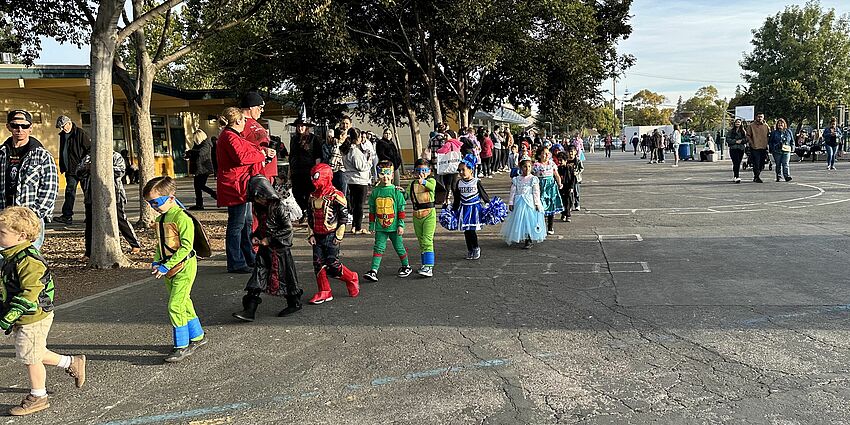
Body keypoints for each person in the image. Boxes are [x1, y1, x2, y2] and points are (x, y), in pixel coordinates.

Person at [0, 206, 86, 416]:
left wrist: (10, 316)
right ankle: (72, 362)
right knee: (33, 351)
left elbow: (30, 292)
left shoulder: (28, 260)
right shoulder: (11, 255)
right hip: (25, 316)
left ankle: (39, 396)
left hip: (34, 315)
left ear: (21, 236)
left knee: (30, 356)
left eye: (2, 233)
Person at [144, 176, 207, 363]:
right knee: (183, 302)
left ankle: (181, 345)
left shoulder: (182, 218)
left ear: (171, 198)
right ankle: (197, 336)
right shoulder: (162, 218)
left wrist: (166, 265)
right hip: (169, 268)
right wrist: (156, 261)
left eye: (156, 202)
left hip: (184, 268)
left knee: (175, 306)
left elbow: (186, 248)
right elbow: (161, 245)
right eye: (150, 203)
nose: (153, 206)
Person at [232, 175, 302, 321]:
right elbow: (263, 227)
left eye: (260, 197)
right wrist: (255, 236)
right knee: (257, 278)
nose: (258, 201)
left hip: (280, 251)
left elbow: (288, 230)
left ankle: (294, 302)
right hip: (265, 251)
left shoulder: (278, 207)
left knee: (287, 278)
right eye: (256, 198)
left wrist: (269, 239)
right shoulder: (260, 208)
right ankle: (249, 310)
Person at [216, 107, 266, 274]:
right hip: (235, 186)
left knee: (246, 223)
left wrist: (260, 151)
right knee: (237, 225)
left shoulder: (231, 135)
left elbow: (247, 150)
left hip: (239, 185)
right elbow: (242, 157)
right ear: (237, 121)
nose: (246, 122)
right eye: (244, 120)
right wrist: (261, 155)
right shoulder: (230, 136)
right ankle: (236, 261)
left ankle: (247, 256)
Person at [0, 110, 58, 250]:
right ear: (8, 127)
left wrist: (35, 214)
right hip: (4, 217)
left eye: (24, 126)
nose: (20, 129)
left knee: (27, 259)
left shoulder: (42, 155)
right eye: (15, 125)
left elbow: (50, 189)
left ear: (30, 128)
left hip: (29, 218)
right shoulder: (1, 154)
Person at [305, 163, 360, 305]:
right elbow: (310, 217)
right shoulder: (312, 196)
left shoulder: (336, 195)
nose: (314, 180)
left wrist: (339, 235)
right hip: (317, 235)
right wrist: (310, 234)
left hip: (331, 235)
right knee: (318, 264)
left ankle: (351, 277)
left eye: (317, 176)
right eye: (313, 176)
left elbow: (343, 217)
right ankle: (324, 290)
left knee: (332, 264)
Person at [76, 152, 141, 262]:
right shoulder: (88, 157)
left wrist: (101, 166)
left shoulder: (115, 156)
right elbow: (78, 172)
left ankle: (135, 244)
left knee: (120, 219)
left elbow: (121, 171)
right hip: (91, 196)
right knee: (90, 223)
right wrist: (86, 168)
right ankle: (88, 252)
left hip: (114, 195)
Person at [439, 154, 507, 260]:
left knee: (471, 230)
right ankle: (470, 249)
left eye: (463, 170)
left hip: (474, 210)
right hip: (464, 210)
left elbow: (484, 196)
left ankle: (476, 248)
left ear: (471, 169)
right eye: (459, 170)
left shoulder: (476, 182)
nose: (461, 172)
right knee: (466, 231)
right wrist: (452, 210)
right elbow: (457, 199)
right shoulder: (459, 183)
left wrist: (489, 206)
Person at [363, 161, 411, 282]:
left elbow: (401, 209)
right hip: (380, 227)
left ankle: (406, 266)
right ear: (378, 175)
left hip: (394, 227)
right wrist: (372, 225)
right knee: (378, 248)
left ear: (392, 175)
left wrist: (401, 225)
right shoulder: (375, 192)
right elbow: (372, 210)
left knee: (399, 247)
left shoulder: (396, 192)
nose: (385, 177)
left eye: (388, 174)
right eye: (382, 174)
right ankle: (373, 270)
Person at [501, 155, 545, 249]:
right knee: (520, 220)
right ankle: (522, 236)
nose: (527, 169)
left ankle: (528, 239)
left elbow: (536, 192)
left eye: (529, 166)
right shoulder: (517, 179)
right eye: (525, 166)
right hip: (519, 202)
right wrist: (511, 203)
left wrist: (537, 203)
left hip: (529, 203)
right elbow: (513, 192)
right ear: (521, 167)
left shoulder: (533, 179)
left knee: (529, 221)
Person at [53, 116, 90, 224]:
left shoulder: (80, 133)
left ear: (69, 123)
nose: (62, 129)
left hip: (83, 169)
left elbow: (89, 149)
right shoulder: (63, 135)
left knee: (87, 193)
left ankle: (90, 216)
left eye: (63, 126)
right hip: (70, 170)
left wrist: (85, 164)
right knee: (69, 192)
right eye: (60, 127)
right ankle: (67, 216)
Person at [406, 158, 438, 277]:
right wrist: (399, 192)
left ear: (429, 171)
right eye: (418, 170)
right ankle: (425, 264)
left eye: (424, 170)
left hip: (429, 214)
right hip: (416, 215)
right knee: (421, 241)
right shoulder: (412, 184)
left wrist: (423, 182)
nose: (421, 172)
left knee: (427, 240)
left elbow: (432, 187)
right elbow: (406, 195)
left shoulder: (432, 181)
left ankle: (429, 267)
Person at [287, 114, 322, 217]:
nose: (300, 128)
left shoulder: (313, 139)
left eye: (302, 126)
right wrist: (289, 170)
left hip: (308, 170)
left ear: (306, 127)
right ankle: (304, 210)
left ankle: (308, 212)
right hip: (296, 171)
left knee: (308, 193)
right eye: (298, 126)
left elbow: (318, 156)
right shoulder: (294, 139)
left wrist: (317, 170)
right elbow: (291, 156)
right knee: (296, 193)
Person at [239, 92, 277, 180]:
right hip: (256, 173)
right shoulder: (240, 123)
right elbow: (240, 148)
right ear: (251, 107)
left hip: (266, 172)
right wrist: (263, 151)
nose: (262, 111)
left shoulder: (254, 121)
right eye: (260, 108)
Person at [342, 128, 371, 234]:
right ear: (357, 138)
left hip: (352, 180)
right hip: (359, 180)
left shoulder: (347, 150)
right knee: (359, 205)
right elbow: (360, 166)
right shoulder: (354, 151)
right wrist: (368, 161)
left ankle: (354, 225)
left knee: (355, 204)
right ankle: (358, 227)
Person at [533, 146, 564, 235]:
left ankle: (550, 227)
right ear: (539, 155)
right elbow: (532, 177)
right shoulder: (536, 165)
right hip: (540, 187)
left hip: (550, 187)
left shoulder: (551, 164)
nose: (547, 155)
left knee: (551, 205)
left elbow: (557, 175)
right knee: (539, 206)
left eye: (548, 153)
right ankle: (539, 226)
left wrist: (559, 184)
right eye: (544, 153)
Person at [186, 129, 217, 210]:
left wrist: (191, 151)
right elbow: (194, 153)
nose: (194, 140)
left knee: (201, 185)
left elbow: (201, 153)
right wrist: (188, 155)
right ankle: (199, 204)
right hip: (198, 168)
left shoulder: (206, 144)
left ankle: (215, 195)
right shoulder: (197, 145)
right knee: (197, 187)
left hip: (204, 169)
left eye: (195, 138)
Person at [327, 116, 354, 193]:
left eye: (347, 123)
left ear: (350, 125)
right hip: (339, 169)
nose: (345, 125)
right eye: (343, 123)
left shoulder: (353, 136)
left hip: (351, 169)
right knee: (341, 193)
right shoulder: (335, 137)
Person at [746, 113, 770, 183]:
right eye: (758, 117)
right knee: (756, 162)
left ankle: (757, 175)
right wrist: (751, 143)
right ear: (756, 117)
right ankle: (757, 176)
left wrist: (767, 143)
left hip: (763, 146)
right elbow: (748, 135)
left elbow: (769, 134)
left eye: (761, 117)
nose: (760, 118)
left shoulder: (766, 126)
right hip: (755, 147)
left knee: (762, 163)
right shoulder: (751, 126)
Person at [768, 118, 794, 182]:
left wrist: (792, 148)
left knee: (785, 164)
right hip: (777, 151)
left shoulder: (788, 131)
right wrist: (772, 148)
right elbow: (770, 141)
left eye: (781, 123)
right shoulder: (774, 132)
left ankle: (787, 176)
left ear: (784, 124)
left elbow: (792, 141)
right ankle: (778, 176)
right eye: (779, 123)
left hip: (786, 150)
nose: (780, 124)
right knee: (778, 164)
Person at [727, 119, 748, 183]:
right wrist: (735, 141)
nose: (737, 123)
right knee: (735, 162)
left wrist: (741, 141)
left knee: (738, 162)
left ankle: (736, 176)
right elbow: (728, 139)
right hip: (733, 149)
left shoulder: (743, 131)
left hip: (741, 149)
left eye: (739, 122)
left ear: (741, 123)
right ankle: (736, 176)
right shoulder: (731, 131)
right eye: (736, 122)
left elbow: (746, 139)